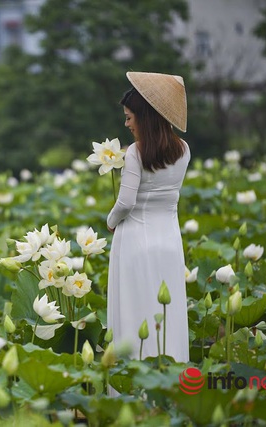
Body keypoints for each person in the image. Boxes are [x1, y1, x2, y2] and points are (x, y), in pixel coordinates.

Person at [106, 72, 191, 369]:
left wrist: (110, 220)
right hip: (169, 242)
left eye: (130, 117)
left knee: (135, 312)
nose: (126, 124)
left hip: (135, 243)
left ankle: (133, 388)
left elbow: (126, 203)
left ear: (145, 117)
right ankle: (170, 382)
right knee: (167, 314)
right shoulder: (184, 150)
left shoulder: (135, 154)